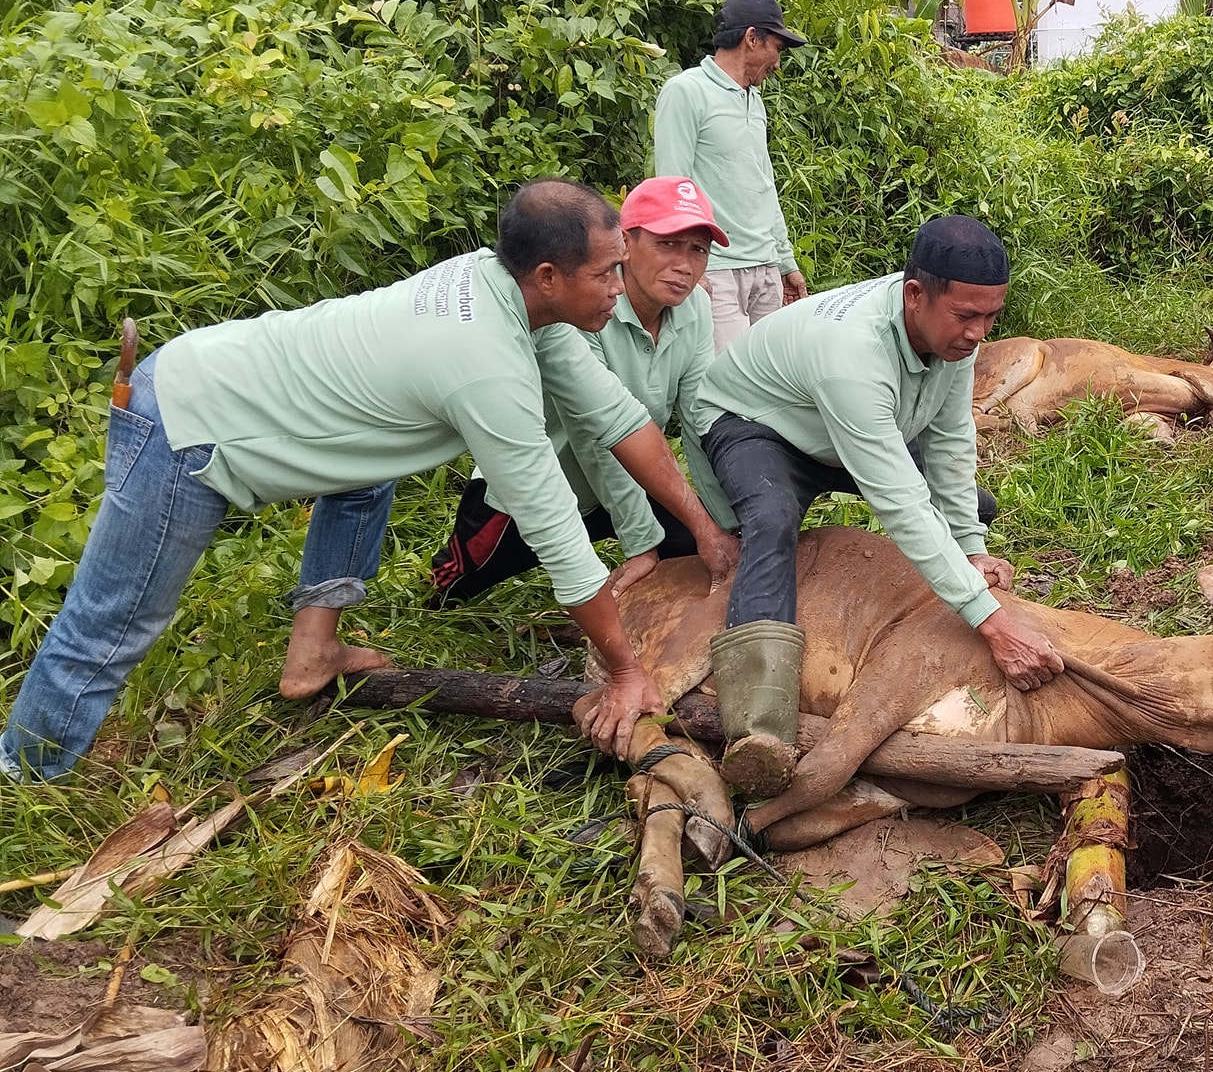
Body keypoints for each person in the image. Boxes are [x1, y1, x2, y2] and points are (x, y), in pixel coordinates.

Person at [0, 180, 720, 780]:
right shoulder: (484, 364)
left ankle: (313, 652)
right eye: (606, 273)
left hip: (247, 385)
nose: (618, 287)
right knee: (115, 620)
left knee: (368, 472)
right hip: (190, 421)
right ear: (549, 276)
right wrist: (626, 671)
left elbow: (617, 417)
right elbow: (557, 530)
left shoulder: (515, 294)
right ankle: (28, 772)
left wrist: (704, 528)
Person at [682, 215, 1062, 805]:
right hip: (752, 423)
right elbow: (900, 503)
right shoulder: (852, 354)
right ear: (915, 296)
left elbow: (950, 440)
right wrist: (991, 622)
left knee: (972, 506)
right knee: (772, 523)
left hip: (833, 429)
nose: (978, 334)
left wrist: (970, 546)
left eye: (992, 317)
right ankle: (758, 722)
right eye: (966, 316)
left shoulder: (953, 334)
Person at [430, 177, 741, 605]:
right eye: (667, 244)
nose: (684, 265)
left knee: (696, 549)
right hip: (542, 488)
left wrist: (721, 523)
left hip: (634, 477)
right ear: (625, 243)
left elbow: (699, 419)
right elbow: (594, 437)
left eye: (698, 250)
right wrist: (641, 542)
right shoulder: (585, 306)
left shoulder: (697, 309)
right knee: (453, 590)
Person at [653, 0, 809, 353]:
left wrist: (785, 262)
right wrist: (689, 266)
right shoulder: (686, 91)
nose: (777, 64)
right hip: (718, 272)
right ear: (752, 38)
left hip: (766, 269)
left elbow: (763, 183)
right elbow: (673, 186)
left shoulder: (755, 100)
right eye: (777, 48)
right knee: (726, 378)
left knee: (770, 375)